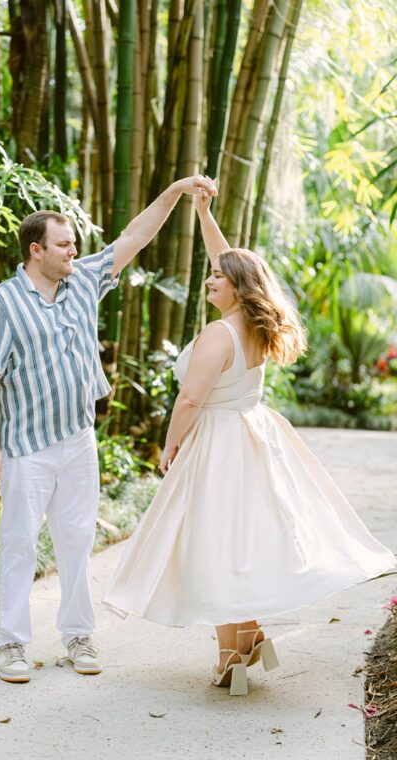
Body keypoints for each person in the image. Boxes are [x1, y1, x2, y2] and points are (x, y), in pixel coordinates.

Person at [103, 181, 396, 696]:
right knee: (241, 542)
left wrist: (170, 446)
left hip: (217, 440)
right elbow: (230, 260)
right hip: (253, 434)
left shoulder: (219, 334)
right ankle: (248, 641)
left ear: (237, 287)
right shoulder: (255, 326)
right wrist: (202, 212)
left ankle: (231, 656)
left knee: (215, 544)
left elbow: (191, 400)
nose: (209, 280)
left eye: (217, 277)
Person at [0, 175, 217, 683]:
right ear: (36, 250)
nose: (73, 251)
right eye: (64, 245)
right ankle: (12, 645)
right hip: (25, 448)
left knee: (77, 542)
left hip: (79, 439)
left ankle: (79, 637)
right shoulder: (2, 303)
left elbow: (133, 237)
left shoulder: (82, 279)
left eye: (74, 244)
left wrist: (174, 192)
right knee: (19, 544)